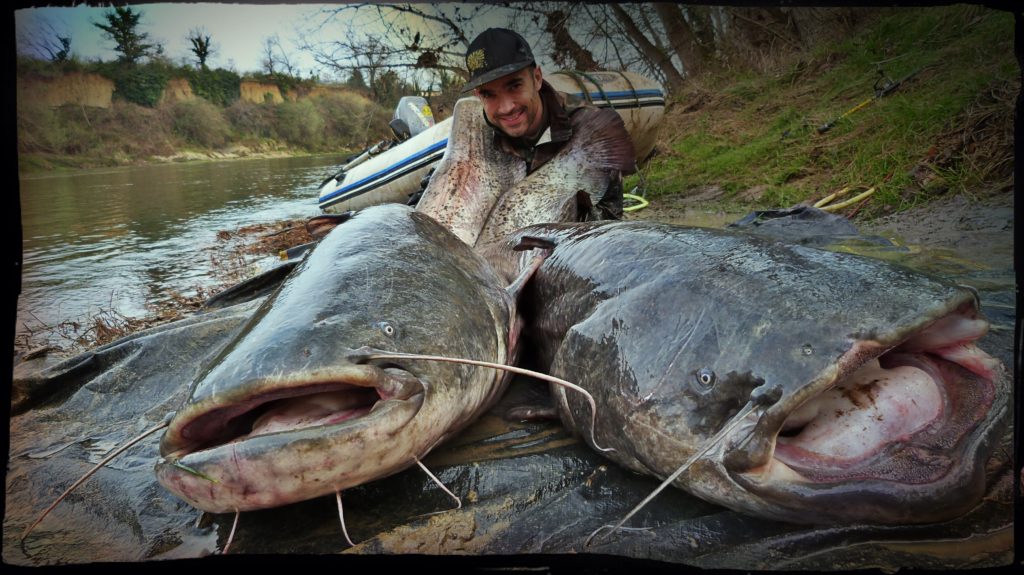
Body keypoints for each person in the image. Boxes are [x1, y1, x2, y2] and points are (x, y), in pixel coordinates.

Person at [461, 28, 634, 219]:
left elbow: (608, 219)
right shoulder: (474, 140)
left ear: (536, 78)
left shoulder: (590, 132)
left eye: (514, 86)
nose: (506, 107)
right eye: (489, 94)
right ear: (478, 96)